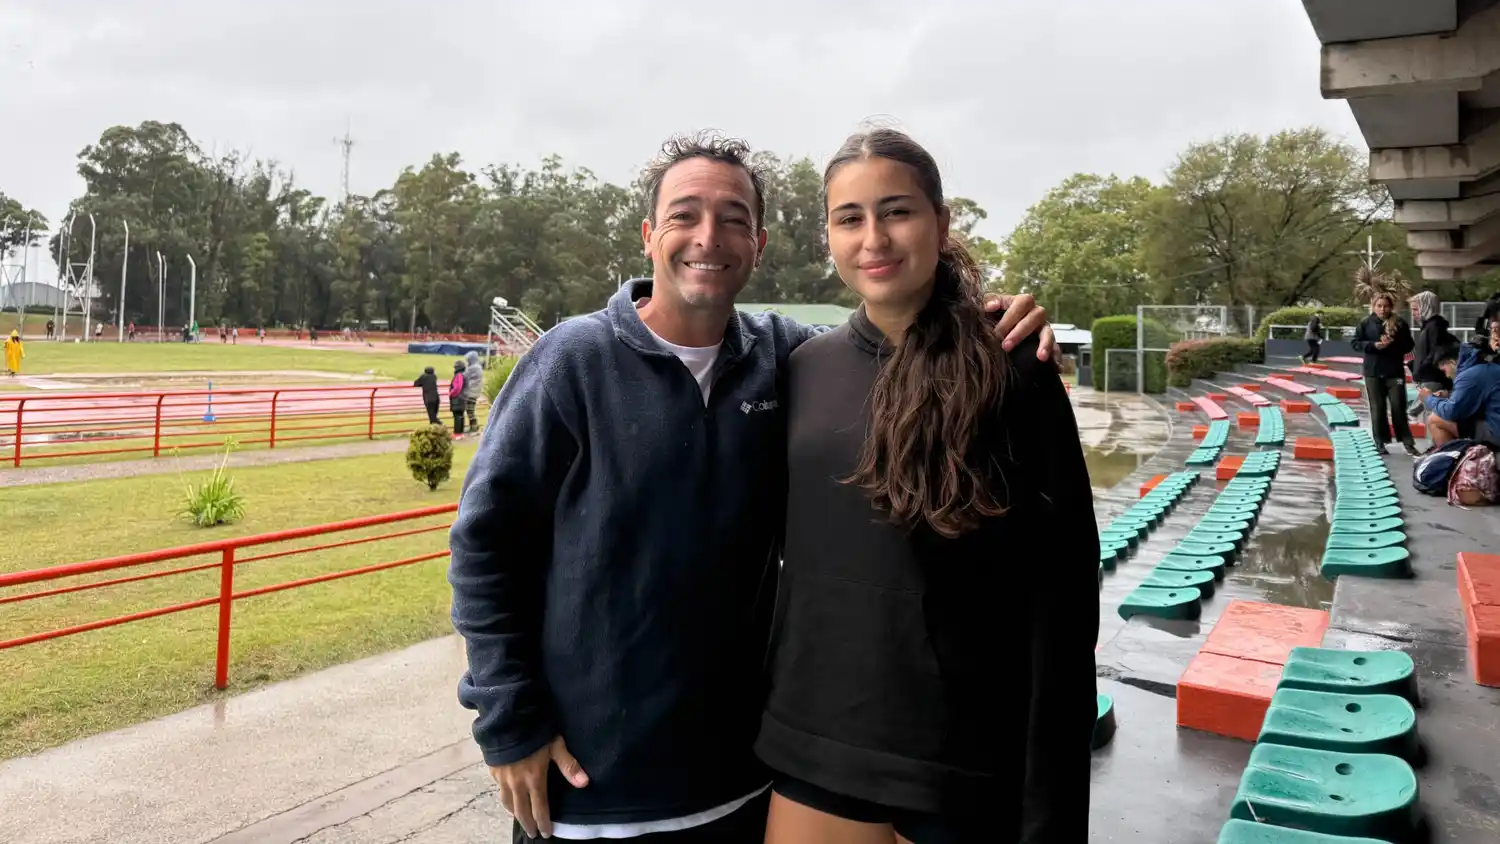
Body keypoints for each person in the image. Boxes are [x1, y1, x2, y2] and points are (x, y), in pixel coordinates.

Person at [446, 131, 1057, 844]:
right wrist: (508, 721)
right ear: (650, 234)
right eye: (685, 215)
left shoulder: (785, 358)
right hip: (592, 792)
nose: (709, 237)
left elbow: (890, 334)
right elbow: (485, 546)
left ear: (759, 244)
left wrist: (991, 316)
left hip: (743, 786)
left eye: (734, 218)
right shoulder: (572, 362)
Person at [755, 129, 1096, 844]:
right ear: (828, 237)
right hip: (817, 740)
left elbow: (1063, 600)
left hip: (963, 758)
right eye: (850, 218)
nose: (874, 237)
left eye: (897, 211)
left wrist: (1051, 805)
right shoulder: (802, 369)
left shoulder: (1012, 367)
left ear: (941, 223)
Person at [1351, 292, 1419, 456]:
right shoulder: (1365, 323)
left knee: (1398, 406)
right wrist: (1374, 345)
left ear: (1391, 307)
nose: (1383, 309)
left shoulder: (1400, 323)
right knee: (1378, 408)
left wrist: (1393, 343)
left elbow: (1409, 345)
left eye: (1386, 306)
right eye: (1379, 306)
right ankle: (1380, 442)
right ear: (1374, 307)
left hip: (1394, 372)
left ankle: (1407, 442)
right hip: (1373, 372)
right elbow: (1355, 343)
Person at [1422, 320, 1500, 447]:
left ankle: (1449, 461)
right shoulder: (1486, 367)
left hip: (1495, 431)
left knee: (1435, 419)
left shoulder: (1469, 375)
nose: (1446, 375)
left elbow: (1451, 412)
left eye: (1444, 370)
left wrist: (1429, 398)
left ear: (1452, 362)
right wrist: (1448, 395)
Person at [1408, 291, 1459, 419]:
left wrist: (1420, 369)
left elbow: (1435, 354)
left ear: (1426, 307)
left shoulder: (1434, 327)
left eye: (1415, 309)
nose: (1413, 313)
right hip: (1428, 378)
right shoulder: (1429, 327)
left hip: (1432, 379)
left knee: (1430, 418)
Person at [463, 351, 484, 433]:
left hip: (471, 392)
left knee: (470, 410)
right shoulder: (477, 367)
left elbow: (464, 376)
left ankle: (474, 426)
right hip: (474, 391)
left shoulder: (473, 368)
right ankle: (473, 426)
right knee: (470, 410)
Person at [448, 360, 467, 437]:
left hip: (457, 399)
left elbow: (457, 387)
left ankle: (457, 433)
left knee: (457, 416)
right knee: (461, 416)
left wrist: (451, 393)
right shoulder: (464, 374)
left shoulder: (458, 375)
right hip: (462, 397)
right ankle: (461, 433)